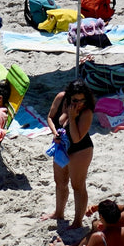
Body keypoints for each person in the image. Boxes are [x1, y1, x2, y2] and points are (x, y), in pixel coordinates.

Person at [44, 80, 95, 228]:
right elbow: (50, 117)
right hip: (61, 147)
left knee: (77, 186)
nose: (78, 103)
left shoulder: (86, 112)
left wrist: (72, 118)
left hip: (81, 149)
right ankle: (58, 212)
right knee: (60, 182)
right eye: (75, 100)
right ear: (68, 97)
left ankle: (77, 221)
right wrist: (54, 133)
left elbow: (77, 138)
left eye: (82, 100)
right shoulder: (61, 98)